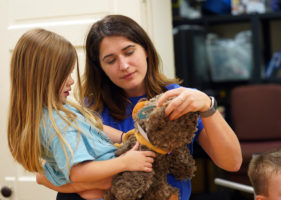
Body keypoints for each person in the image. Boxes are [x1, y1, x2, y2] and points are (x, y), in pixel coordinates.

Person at [38, 15, 242, 200]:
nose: (124, 65)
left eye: (129, 52)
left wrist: (208, 106)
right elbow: (45, 175)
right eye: (110, 60)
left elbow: (232, 163)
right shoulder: (89, 111)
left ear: (146, 50)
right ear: (100, 67)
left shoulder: (177, 98)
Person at [7, 28, 156, 200]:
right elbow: (78, 173)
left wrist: (125, 137)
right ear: (43, 78)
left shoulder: (63, 109)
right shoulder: (57, 124)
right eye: (65, 75)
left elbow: (95, 127)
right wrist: (124, 163)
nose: (71, 81)